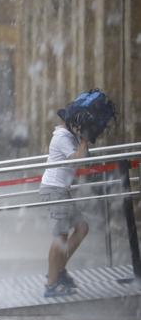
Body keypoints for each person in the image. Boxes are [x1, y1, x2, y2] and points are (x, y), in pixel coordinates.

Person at [39, 89, 115, 298]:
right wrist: (84, 139)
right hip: (54, 191)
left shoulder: (67, 136)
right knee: (60, 237)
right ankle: (52, 283)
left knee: (82, 228)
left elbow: (85, 160)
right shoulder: (62, 137)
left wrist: (84, 140)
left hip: (61, 191)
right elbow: (79, 161)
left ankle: (58, 270)